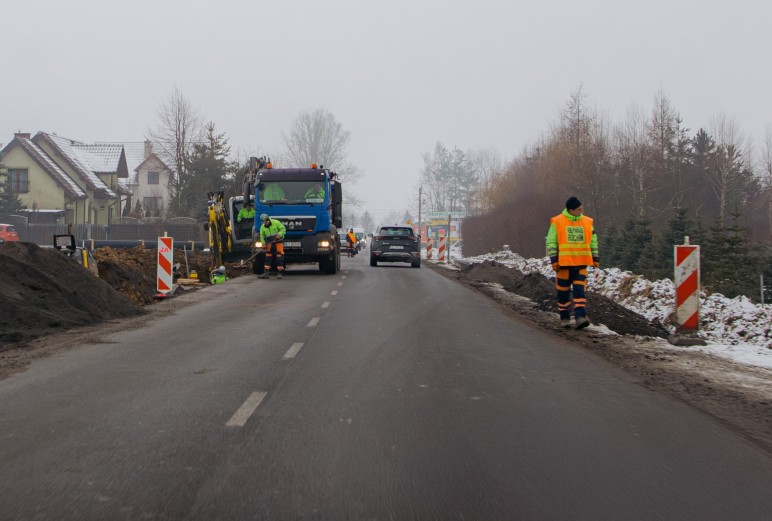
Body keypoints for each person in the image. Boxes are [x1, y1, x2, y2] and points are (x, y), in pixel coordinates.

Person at [545, 196, 599, 329]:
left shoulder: (587, 222)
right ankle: (564, 317)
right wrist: (554, 260)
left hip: (581, 264)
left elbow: (593, 240)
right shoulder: (557, 222)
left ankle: (580, 316)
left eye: (582, 208)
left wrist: (595, 257)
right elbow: (551, 242)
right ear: (571, 210)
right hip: (563, 265)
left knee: (580, 292)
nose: (581, 211)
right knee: (563, 293)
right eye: (579, 209)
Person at [258, 213, 286, 279]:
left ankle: (279, 273)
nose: (264, 223)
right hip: (269, 242)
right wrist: (264, 243)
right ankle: (266, 273)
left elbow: (283, 229)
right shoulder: (262, 227)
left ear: (268, 220)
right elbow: (262, 236)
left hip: (278, 241)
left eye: (265, 222)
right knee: (268, 256)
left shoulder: (276, 222)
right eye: (263, 222)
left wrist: (279, 235)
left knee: (279, 256)